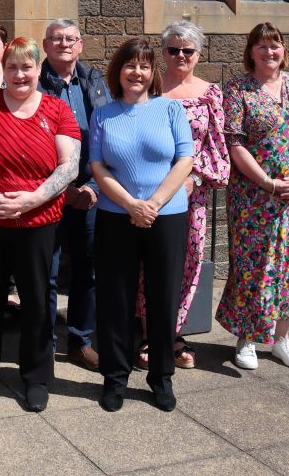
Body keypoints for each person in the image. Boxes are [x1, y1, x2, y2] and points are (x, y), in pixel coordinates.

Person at [0, 38, 81, 412]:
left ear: (38, 70)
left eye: (27, 67)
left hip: (38, 223)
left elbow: (69, 166)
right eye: (12, 67)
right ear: (3, 70)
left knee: (39, 301)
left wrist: (32, 199)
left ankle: (37, 377)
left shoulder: (57, 110)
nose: (20, 74)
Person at [217, 22, 289, 371]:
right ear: (251, 51)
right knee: (253, 266)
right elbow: (232, 141)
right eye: (262, 46)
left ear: (284, 49)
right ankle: (247, 338)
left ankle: (281, 338)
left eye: (276, 45)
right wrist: (267, 182)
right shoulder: (238, 89)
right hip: (253, 197)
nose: (270, 52)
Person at [90, 37, 194, 413]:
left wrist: (153, 203)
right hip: (117, 216)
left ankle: (161, 377)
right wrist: (132, 204)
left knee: (162, 298)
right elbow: (98, 167)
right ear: (118, 71)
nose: (137, 72)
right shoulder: (103, 113)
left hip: (166, 216)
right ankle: (115, 377)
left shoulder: (170, 110)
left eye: (145, 66)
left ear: (153, 74)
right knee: (115, 299)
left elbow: (185, 159)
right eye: (130, 65)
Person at [135, 20, 230, 369]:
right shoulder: (149, 89)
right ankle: (148, 332)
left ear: (198, 54)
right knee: (148, 263)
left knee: (185, 263)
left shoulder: (210, 94)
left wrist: (195, 179)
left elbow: (217, 148)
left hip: (192, 195)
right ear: (162, 53)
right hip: (149, 193)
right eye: (172, 49)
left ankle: (172, 332)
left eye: (187, 50)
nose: (179, 56)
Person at [38, 18, 110, 371]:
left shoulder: (95, 82)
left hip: (91, 192)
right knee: (46, 272)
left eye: (70, 38)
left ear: (80, 45)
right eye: (56, 38)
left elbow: (110, 136)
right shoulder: (33, 83)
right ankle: (45, 344)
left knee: (88, 269)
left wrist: (93, 188)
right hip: (49, 194)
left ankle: (80, 340)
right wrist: (63, 191)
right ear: (45, 45)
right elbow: (28, 144)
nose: (64, 43)